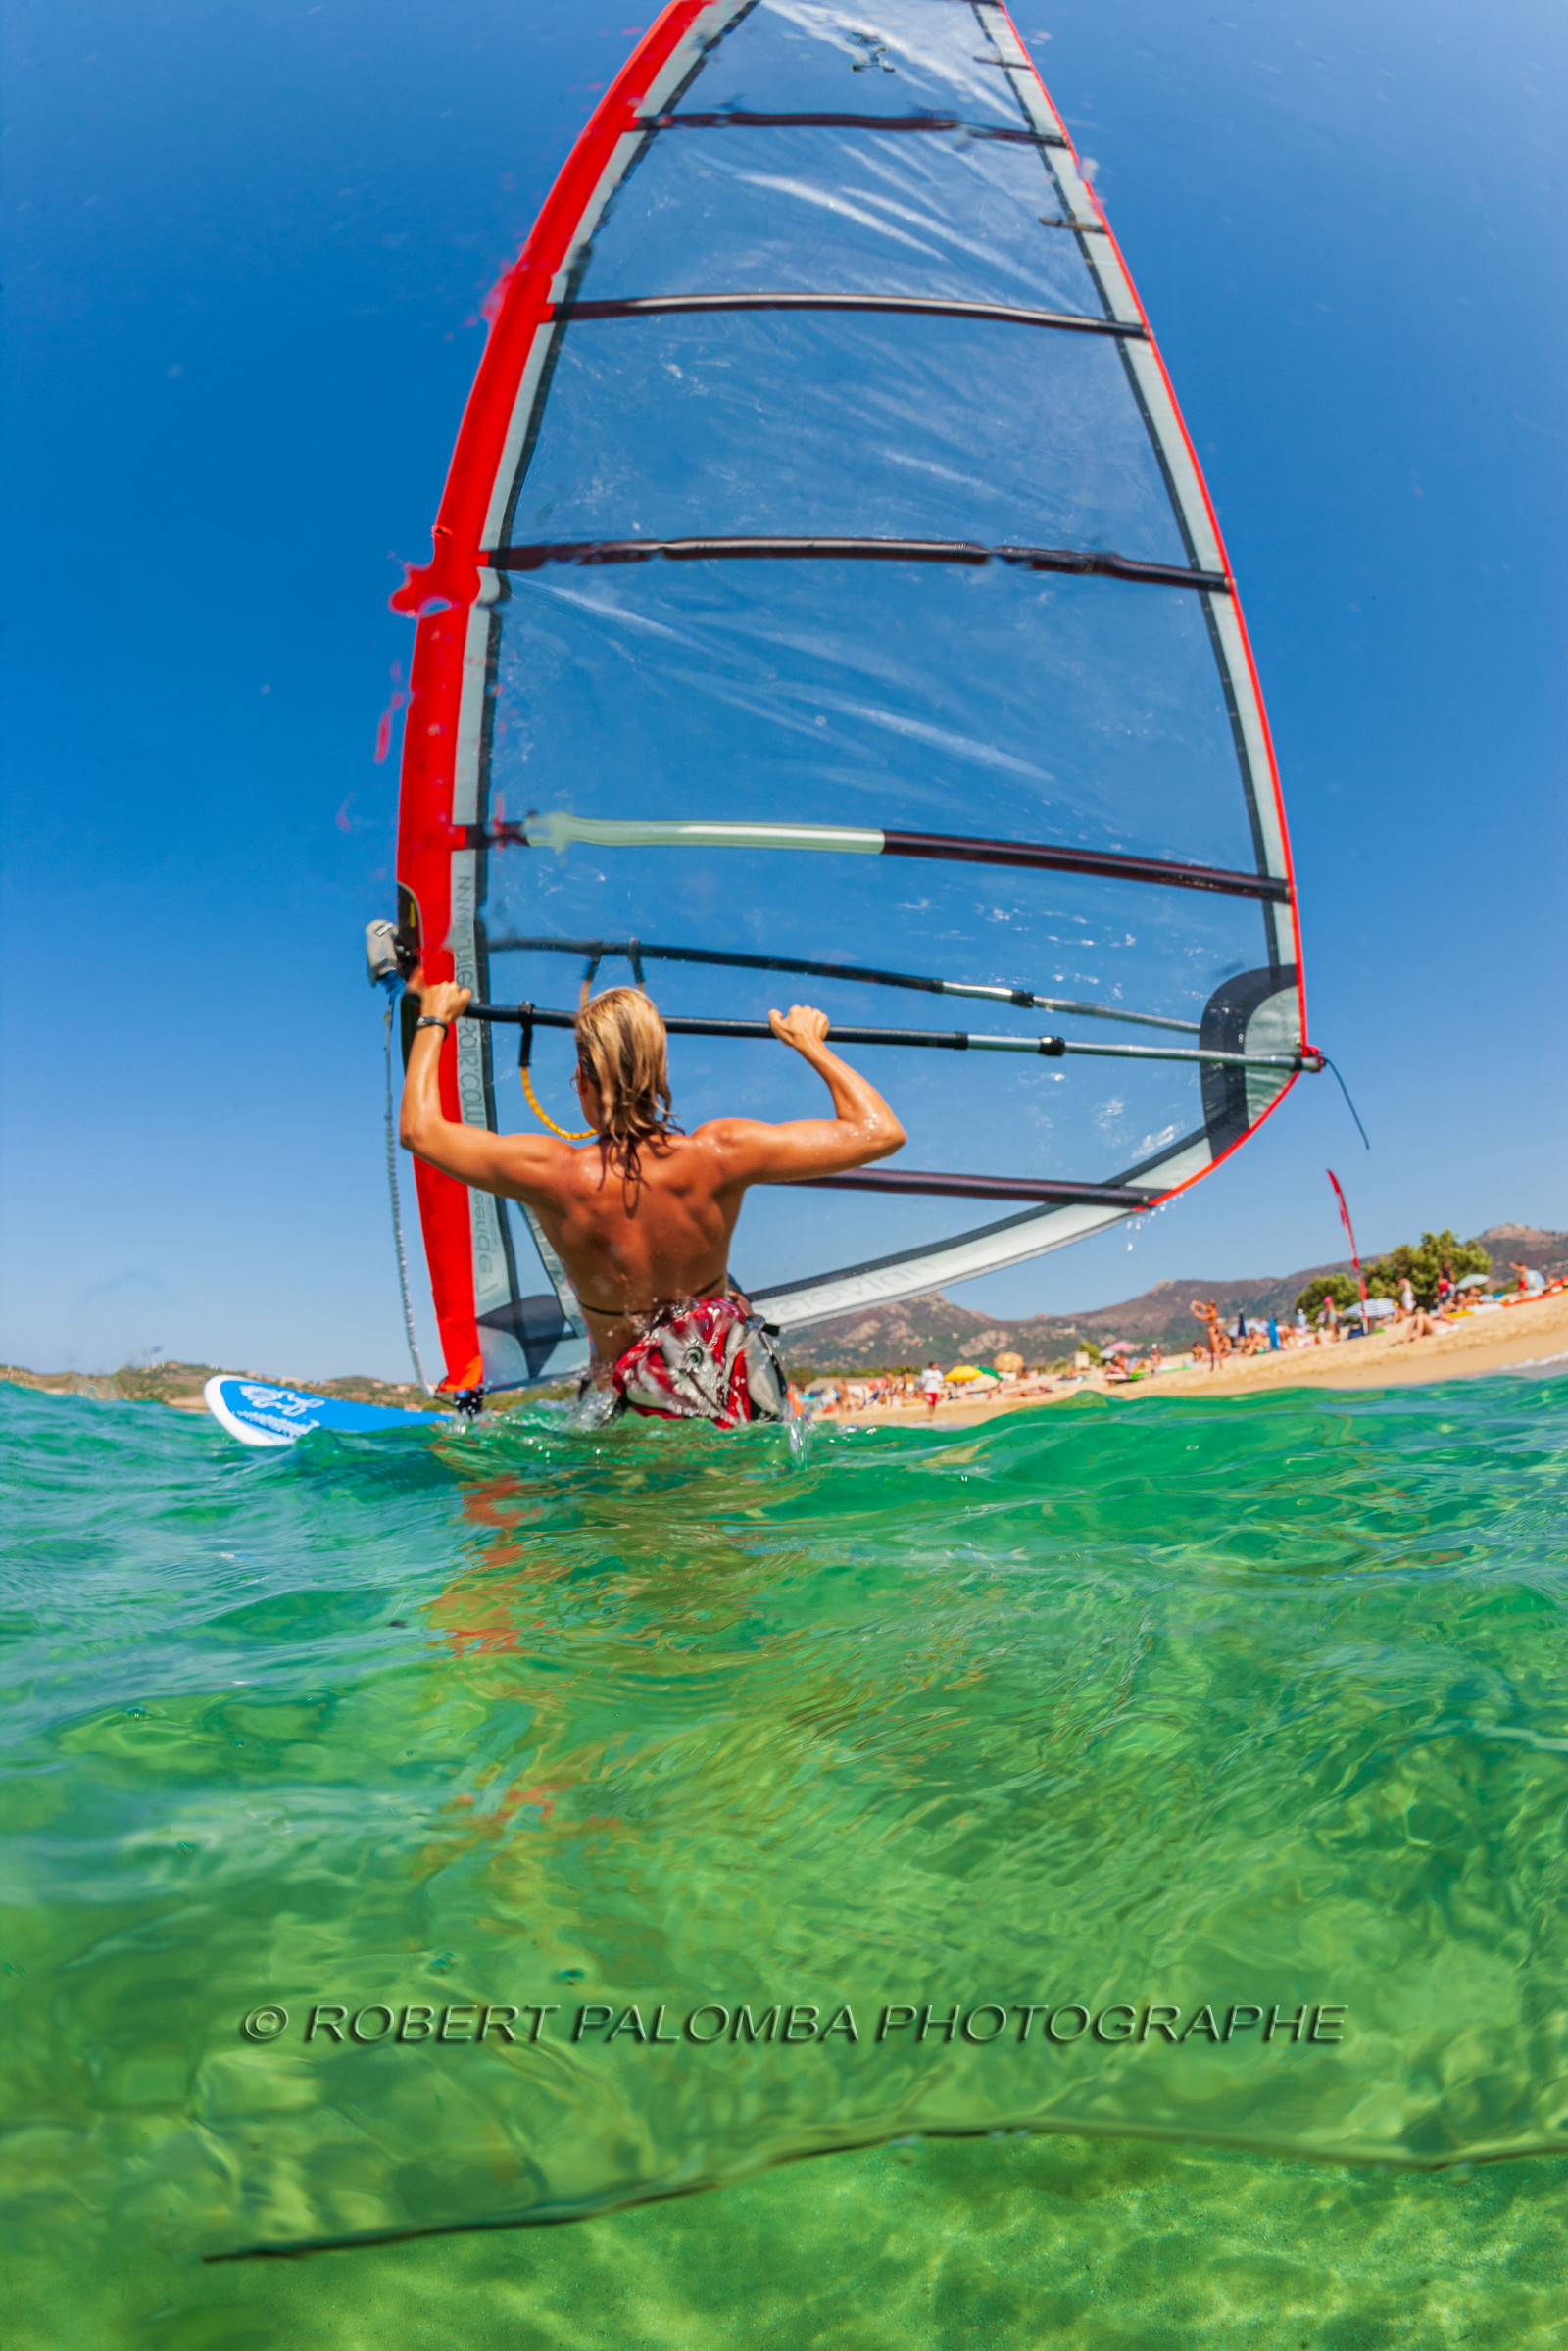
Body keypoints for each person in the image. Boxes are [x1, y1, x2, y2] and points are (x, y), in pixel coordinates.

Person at [401, 982, 906, 1428]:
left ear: (582, 1077)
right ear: (659, 1070)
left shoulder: (552, 1173)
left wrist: (433, 1020)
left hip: (622, 1410)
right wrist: (809, 1044)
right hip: (720, 1402)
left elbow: (420, 1130)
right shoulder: (720, 1154)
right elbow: (879, 1132)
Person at [1190, 1298, 1222, 1370]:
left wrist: (1194, 1312)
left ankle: (1221, 1365)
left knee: (1217, 1350)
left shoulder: (1213, 1313)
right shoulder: (1211, 1311)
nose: (1207, 1306)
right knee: (1211, 1351)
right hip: (1210, 1335)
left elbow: (1203, 1317)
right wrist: (1196, 1303)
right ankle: (1212, 1367)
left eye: (1208, 1305)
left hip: (1213, 1335)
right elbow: (1203, 1307)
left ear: (1212, 1306)